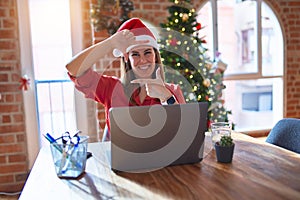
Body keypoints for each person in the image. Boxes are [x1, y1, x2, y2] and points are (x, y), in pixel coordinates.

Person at [66, 18, 185, 141]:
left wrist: (166, 97)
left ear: (155, 56)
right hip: (123, 159)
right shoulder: (110, 88)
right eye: (135, 54)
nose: (143, 60)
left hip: (165, 158)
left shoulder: (172, 91)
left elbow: (185, 135)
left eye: (147, 52)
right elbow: (73, 69)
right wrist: (110, 43)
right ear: (127, 58)